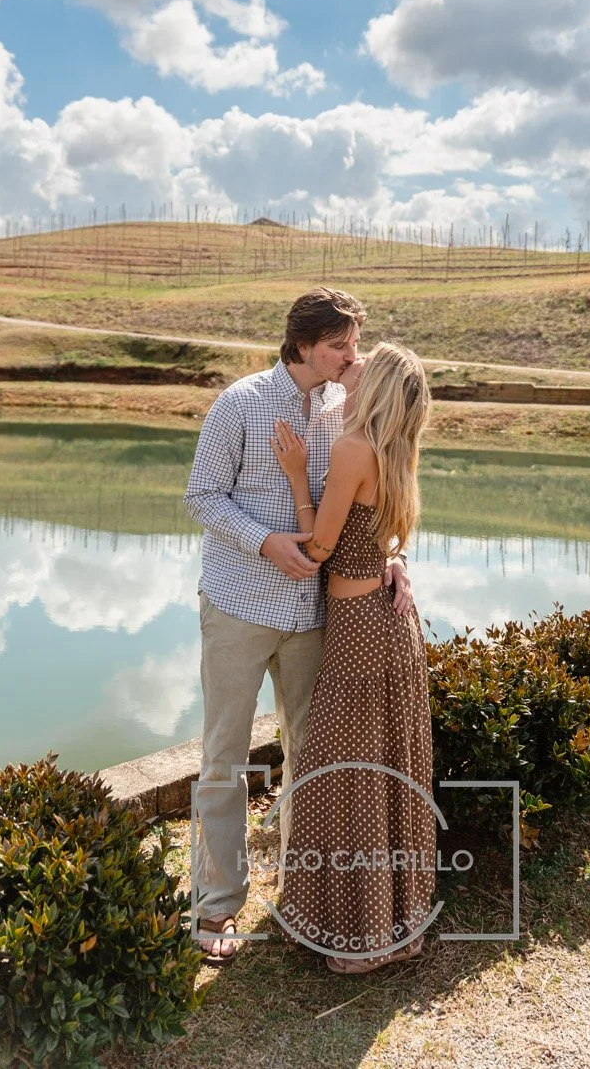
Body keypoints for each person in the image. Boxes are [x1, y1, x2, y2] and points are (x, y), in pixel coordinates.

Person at [183, 288, 414, 963]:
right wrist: (262, 542)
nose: (354, 354)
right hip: (239, 606)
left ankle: (303, 894)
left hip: (317, 614)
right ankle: (216, 906)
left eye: (356, 342)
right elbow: (201, 495)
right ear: (305, 344)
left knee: (313, 757)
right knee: (224, 755)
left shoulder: (351, 406)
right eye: (341, 344)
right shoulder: (241, 404)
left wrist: (397, 558)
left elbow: (373, 499)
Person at [270, 341, 435, 974]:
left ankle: (359, 938)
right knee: (388, 764)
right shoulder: (395, 449)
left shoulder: (350, 450)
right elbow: (383, 540)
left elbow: (318, 548)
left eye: (362, 364)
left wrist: (294, 473)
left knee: (343, 770)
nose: (352, 361)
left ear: (376, 387)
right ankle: (392, 920)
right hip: (393, 627)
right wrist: (396, 563)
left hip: (359, 628)